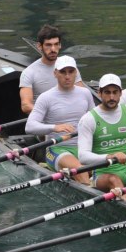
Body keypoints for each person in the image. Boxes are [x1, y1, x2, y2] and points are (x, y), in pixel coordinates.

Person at [25, 55, 94, 183]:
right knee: (79, 169)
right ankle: (91, 191)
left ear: (76, 73)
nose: (67, 76)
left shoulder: (85, 93)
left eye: (71, 71)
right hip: (57, 148)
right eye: (63, 72)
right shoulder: (46, 97)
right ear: (55, 73)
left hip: (84, 147)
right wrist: (55, 127)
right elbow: (29, 126)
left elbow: (95, 121)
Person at [77, 73, 126, 202]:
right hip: (104, 175)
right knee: (114, 180)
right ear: (99, 93)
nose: (111, 97)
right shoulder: (88, 119)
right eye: (107, 92)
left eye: (115, 92)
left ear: (121, 93)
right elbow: (82, 156)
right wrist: (109, 156)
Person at [19, 24, 84, 114]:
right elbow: (26, 106)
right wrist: (52, 114)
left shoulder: (70, 67)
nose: (53, 49)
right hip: (45, 120)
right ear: (39, 46)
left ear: (60, 45)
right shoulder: (29, 72)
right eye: (48, 45)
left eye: (56, 44)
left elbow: (82, 95)